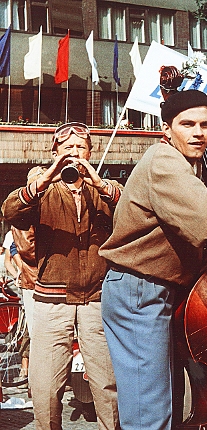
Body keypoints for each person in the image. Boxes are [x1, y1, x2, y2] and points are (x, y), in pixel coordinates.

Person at [99, 90, 207, 430]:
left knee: (166, 405)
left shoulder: (184, 164)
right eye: (187, 124)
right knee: (149, 414)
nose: (198, 133)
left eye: (205, 124)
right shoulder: (165, 161)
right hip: (139, 289)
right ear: (166, 128)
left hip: (151, 289)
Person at [1, 121, 122, 430]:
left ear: (91, 154)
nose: (75, 153)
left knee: (107, 380)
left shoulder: (103, 188)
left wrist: (101, 186)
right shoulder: (43, 187)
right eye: (67, 148)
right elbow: (10, 211)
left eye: (81, 147)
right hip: (51, 299)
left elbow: (134, 212)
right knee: (46, 382)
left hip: (96, 298)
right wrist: (46, 179)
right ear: (54, 153)